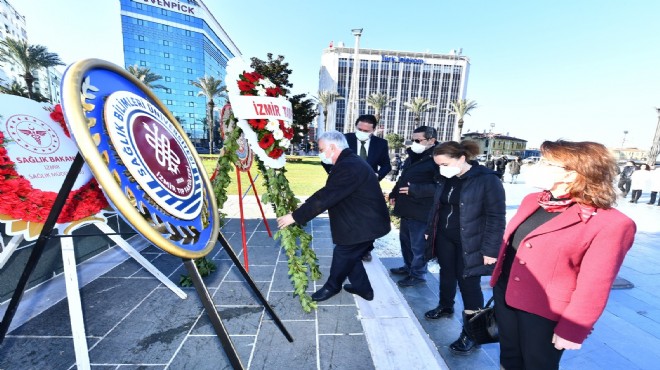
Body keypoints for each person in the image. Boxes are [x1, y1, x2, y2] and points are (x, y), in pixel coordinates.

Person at [490, 140, 636, 370]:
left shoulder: (612, 223)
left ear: (573, 173)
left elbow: (594, 285)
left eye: (547, 163)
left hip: (546, 312)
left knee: (538, 364)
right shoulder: (533, 201)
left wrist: (574, 329)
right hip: (507, 295)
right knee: (509, 358)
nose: (538, 166)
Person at [277, 131, 390, 302]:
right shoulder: (349, 161)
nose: (320, 153)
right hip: (361, 220)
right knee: (350, 255)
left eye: (321, 149)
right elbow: (333, 192)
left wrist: (295, 216)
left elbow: (327, 196)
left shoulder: (349, 166)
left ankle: (332, 286)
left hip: (364, 224)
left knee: (343, 254)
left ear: (332, 147)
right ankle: (363, 289)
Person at [423, 140, 506, 355]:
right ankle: (445, 305)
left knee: (469, 284)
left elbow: (496, 217)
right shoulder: (447, 177)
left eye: (444, 164)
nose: (441, 169)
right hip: (445, 237)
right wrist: (430, 230)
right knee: (447, 273)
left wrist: (490, 250)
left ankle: (472, 333)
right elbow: (438, 206)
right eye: (438, 165)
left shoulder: (487, 180)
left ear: (461, 158)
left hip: (472, 242)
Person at [322, 114, 391, 262]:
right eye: (360, 129)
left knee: (367, 218)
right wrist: (334, 172)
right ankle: (346, 242)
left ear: (373, 130)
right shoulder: (344, 139)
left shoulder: (381, 144)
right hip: (343, 186)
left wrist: (377, 176)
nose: (362, 132)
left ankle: (366, 248)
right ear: (356, 127)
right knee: (346, 215)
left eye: (366, 131)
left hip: (367, 189)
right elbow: (327, 159)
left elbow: (387, 165)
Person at [388, 126, 439, 287]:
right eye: (413, 140)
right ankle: (408, 267)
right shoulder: (413, 156)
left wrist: (415, 190)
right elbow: (404, 177)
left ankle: (418, 275)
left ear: (431, 140)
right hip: (407, 207)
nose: (414, 143)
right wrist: (394, 193)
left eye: (418, 140)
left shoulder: (438, 158)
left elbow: (441, 186)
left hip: (422, 210)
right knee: (406, 242)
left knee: (418, 246)